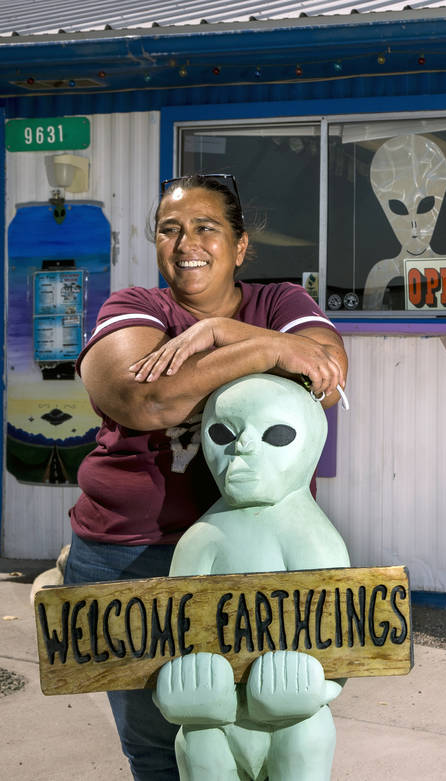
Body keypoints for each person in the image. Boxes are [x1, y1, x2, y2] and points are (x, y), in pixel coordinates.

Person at [60, 173, 348, 781]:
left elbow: (325, 376)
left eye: (206, 227)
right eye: (170, 229)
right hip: (129, 554)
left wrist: (222, 331)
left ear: (240, 247)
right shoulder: (135, 308)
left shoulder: (281, 303)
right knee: (167, 745)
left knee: (276, 722)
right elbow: (145, 404)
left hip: (261, 559)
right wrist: (263, 353)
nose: (186, 241)